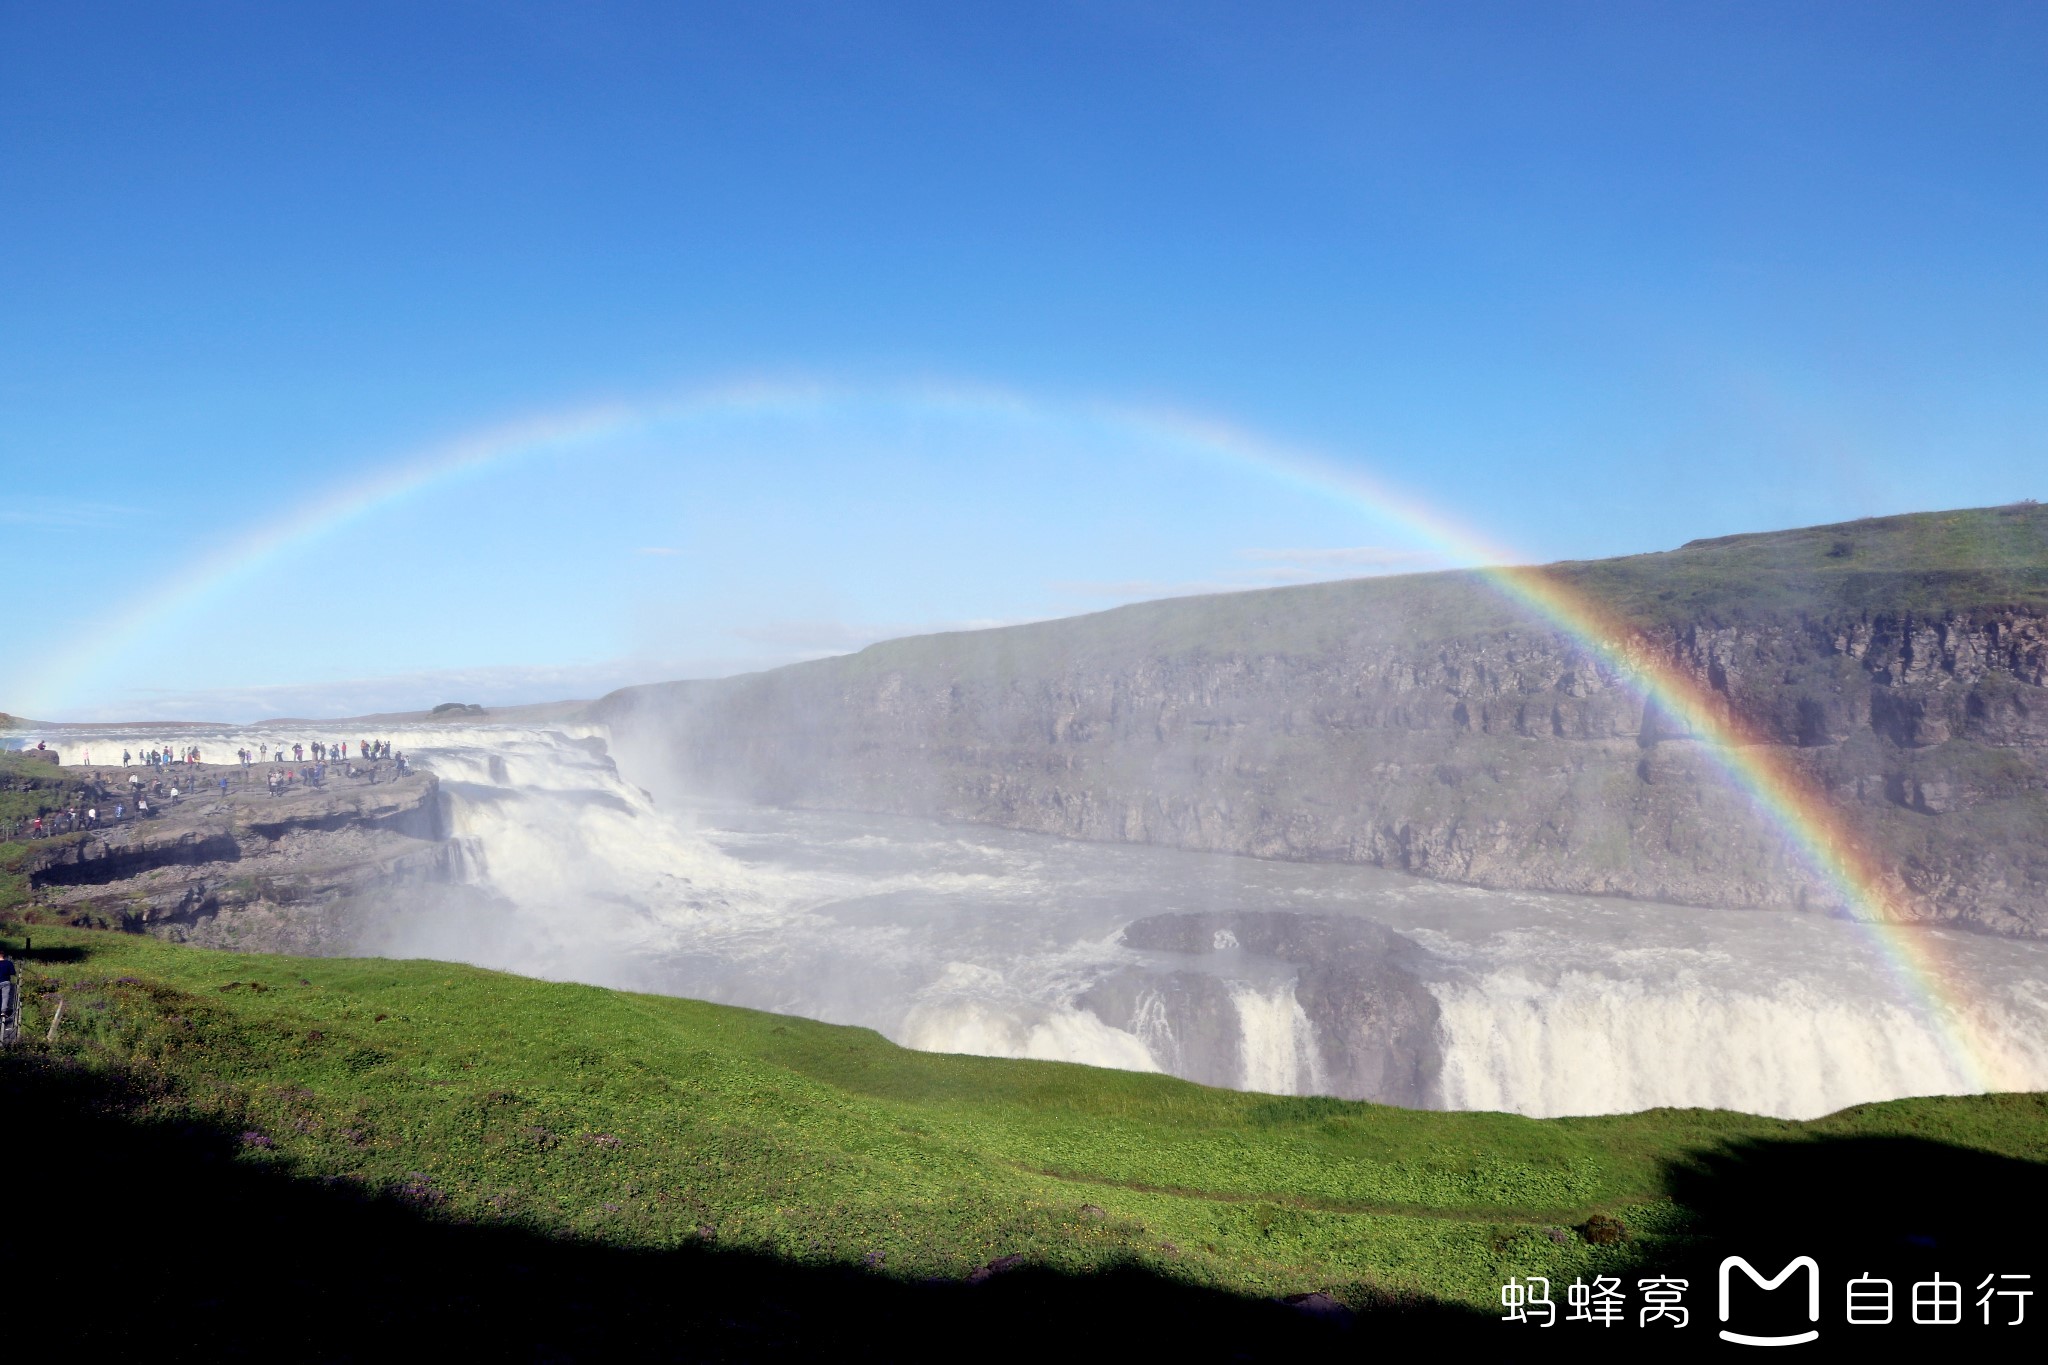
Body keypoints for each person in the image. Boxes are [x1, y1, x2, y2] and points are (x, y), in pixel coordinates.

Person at [0, 947, 18, 1046]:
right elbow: (12, 973)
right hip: (5, 982)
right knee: (5, 997)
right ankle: (3, 1011)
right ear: (4, 955)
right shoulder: (8, 963)